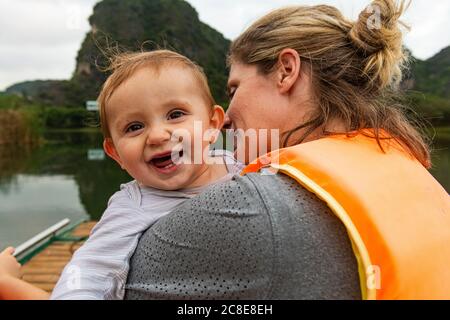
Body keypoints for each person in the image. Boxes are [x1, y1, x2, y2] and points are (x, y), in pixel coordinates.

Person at [124, 0, 450, 300]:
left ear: (286, 71)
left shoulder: (250, 206)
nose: (227, 117)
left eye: (234, 88)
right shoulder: (418, 178)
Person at [0, 50, 243, 300]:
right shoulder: (131, 208)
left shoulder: (240, 166)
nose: (158, 135)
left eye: (176, 114)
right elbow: (86, 273)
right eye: (135, 127)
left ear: (213, 125)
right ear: (115, 153)